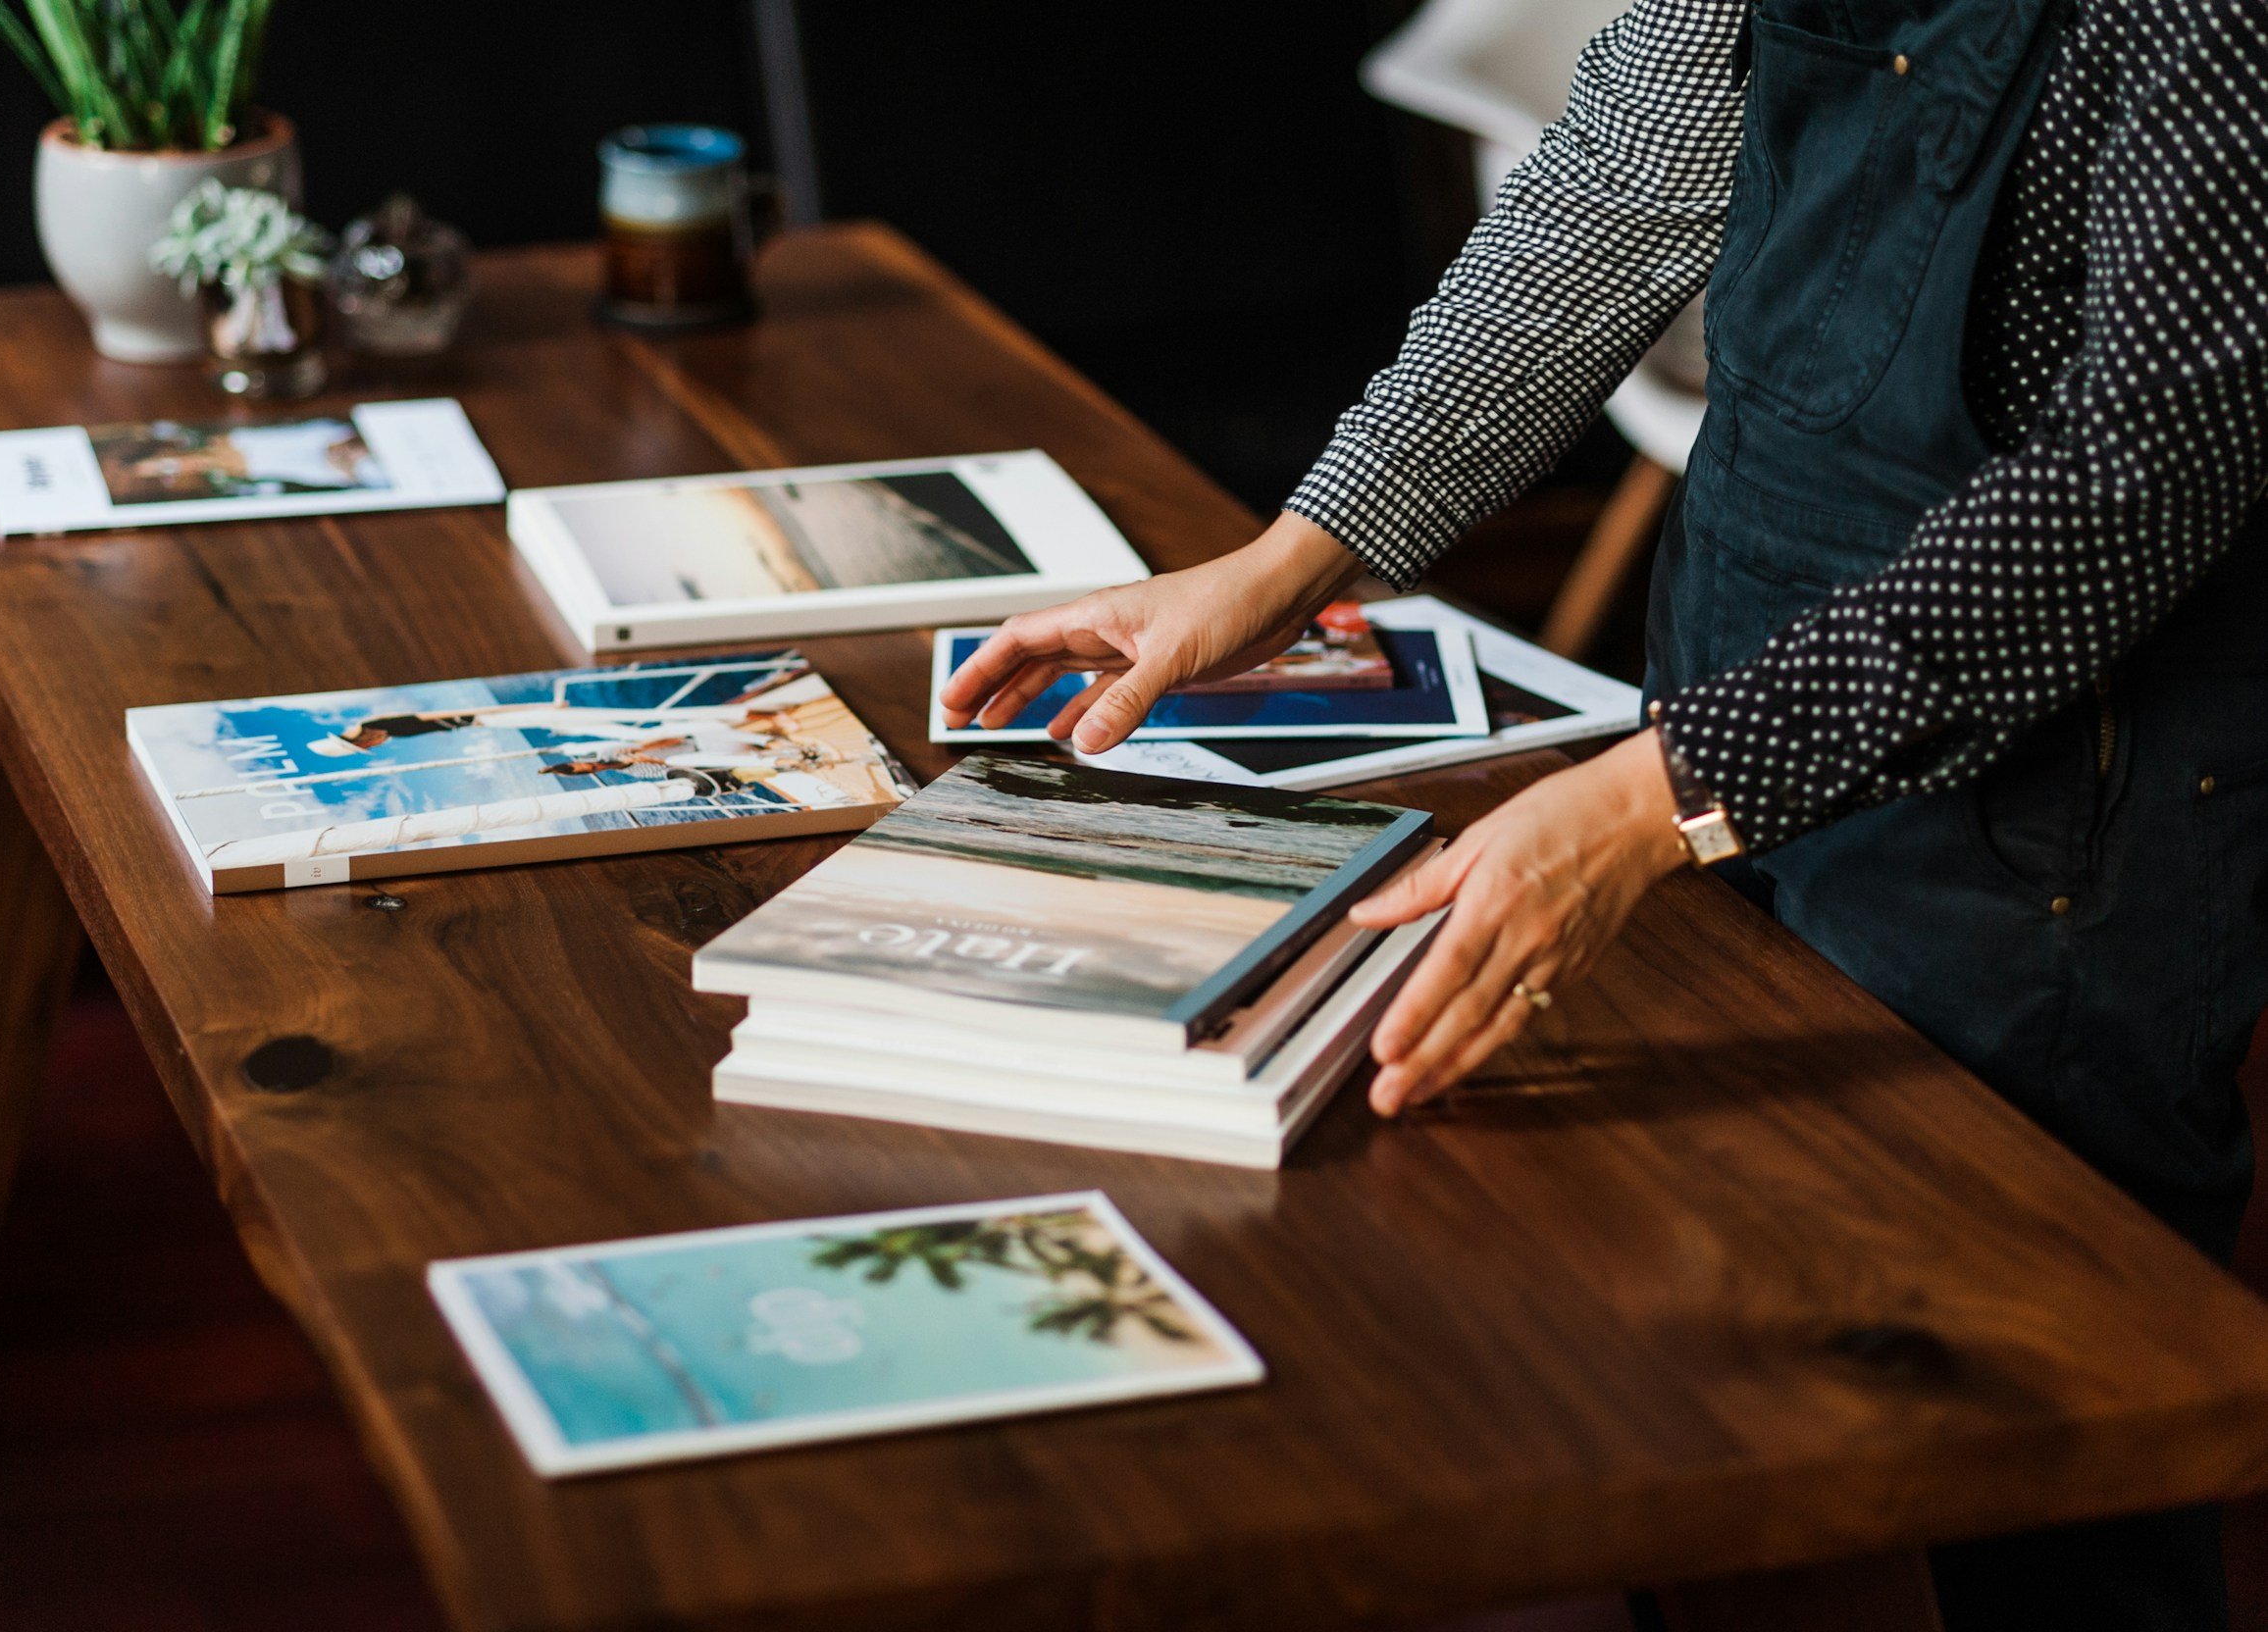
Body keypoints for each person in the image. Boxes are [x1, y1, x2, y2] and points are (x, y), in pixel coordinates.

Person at [941, 1, 2267, 1624]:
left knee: (2064, 1449)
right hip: (1737, 681)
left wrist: (1661, 801)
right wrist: (1295, 559)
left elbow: (2142, 476)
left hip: (2067, 814)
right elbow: (1607, 199)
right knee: (1685, 1372)